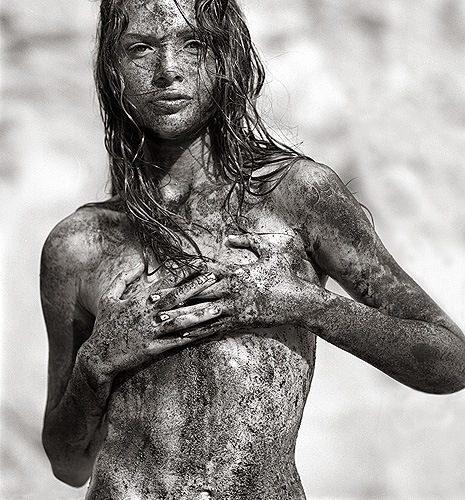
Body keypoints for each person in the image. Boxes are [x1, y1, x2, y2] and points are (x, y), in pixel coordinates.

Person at [40, 0, 465, 498]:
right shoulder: (79, 244)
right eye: (140, 49)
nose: (168, 71)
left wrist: (303, 303)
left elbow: (450, 362)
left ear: (226, 57)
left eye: (193, 44)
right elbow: (68, 464)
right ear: (112, 70)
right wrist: (97, 364)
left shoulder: (295, 197)